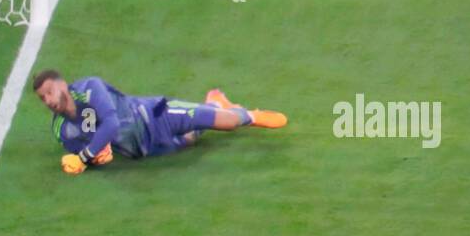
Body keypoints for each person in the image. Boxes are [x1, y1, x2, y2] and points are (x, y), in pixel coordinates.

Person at [32, 69, 287, 175]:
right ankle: (214, 104)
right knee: (190, 141)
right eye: (43, 98)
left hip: (155, 114)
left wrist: (85, 157)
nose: (48, 100)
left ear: (62, 85)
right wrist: (95, 159)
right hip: (144, 149)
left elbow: (110, 124)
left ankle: (248, 115)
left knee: (228, 123)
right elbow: (97, 151)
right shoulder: (62, 130)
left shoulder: (90, 88)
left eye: (50, 92)